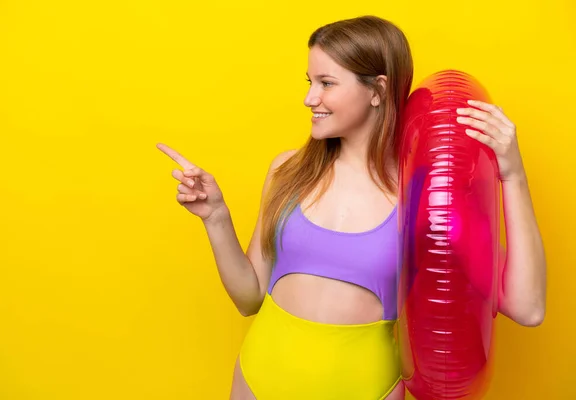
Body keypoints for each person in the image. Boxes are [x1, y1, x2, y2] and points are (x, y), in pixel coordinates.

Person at [157, 15, 546, 400]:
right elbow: (249, 297)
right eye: (310, 82)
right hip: (258, 380)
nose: (310, 98)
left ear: (377, 90)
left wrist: (513, 176)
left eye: (326, 83)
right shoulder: (287, 171)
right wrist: (216, 217)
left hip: (365, 389)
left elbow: (528, 308)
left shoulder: (422, 202)